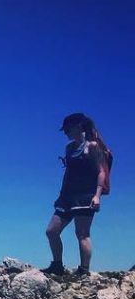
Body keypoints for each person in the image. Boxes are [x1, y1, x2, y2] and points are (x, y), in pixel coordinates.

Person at [44, 112, 112, 277]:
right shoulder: (69, 148)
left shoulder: (92, 146)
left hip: (85, 196)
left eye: (68, 128)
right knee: (51, 231)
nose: (66, 132)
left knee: (82, 233)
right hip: (67, 197)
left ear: (79, 126)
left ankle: (83, 270)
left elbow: (101, 172)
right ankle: (57, 265)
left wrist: (97, 195)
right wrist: (61, 195)